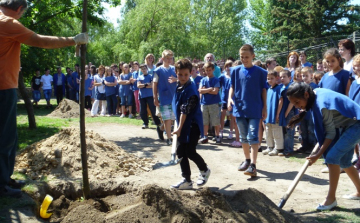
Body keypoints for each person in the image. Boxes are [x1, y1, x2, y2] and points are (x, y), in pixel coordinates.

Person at [0, 0, 88, 198]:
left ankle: (5, 178)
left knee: (9, 137)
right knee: (5, 138)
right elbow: (41, 41)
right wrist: (73, 40)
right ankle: (1, 185)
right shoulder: (7, 22)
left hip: (5, 86)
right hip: (3, 88)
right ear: (19, 9)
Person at [287, 82, 360, 211]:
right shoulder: (316, 94)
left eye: (297, 102)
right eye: (294, 104)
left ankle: (331, 199)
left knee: (332, 158)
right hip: (348, 126)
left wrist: (318, 154)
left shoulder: (322, 105)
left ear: (306, 94)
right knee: (344, 161)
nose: (298, 106)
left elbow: (330, 133)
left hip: (356, 125)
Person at [170, 58, 210, 190]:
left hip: (192, 126)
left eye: (186, 75)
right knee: (180, 151)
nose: (182, 77)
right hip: (183, 125)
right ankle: (186, 180)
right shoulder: (180, 86)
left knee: (190, 151)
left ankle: (204, 170)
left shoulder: (191, 91)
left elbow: (184, 111)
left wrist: (179, 128)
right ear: (176, 72)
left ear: (191, 73)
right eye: (180, 74)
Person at [228, 44, 267, 177]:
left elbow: (263, 90)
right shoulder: (235, 70)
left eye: (247, 57)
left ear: (253, 56)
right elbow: (232, 86)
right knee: (243, 136)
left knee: (253, 135)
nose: (244, 59)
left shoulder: (261, 72)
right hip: (239, 108)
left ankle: (254, 164)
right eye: (241, 57)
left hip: (255, 108)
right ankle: (247, 159)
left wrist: (265, 107)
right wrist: (229, 99)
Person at [153, 50, 177, 145]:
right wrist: (155, 97)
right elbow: (154, 84)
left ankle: (161, 128)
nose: (169, 60)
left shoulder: (174, 69)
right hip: (163, 98)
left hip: (174, 97)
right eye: (167, 58)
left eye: (171, 58)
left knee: (172, 118)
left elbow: (182, 79)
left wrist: (176, 79)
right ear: (163, 59)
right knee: (167, 118)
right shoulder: (158, 71)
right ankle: (169, 138)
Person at [137, 64, 164, 139]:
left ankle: (157, 123)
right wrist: (146, 84)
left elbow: (152, 85)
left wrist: (143, 85)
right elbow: (138, 85)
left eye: (144, 69)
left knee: (153, 110)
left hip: (149, 95)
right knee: (143, 110)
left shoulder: (150, 76)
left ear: (147, 69)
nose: (143, 70)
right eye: (142, 69)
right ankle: (145, 123)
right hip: (142, 96)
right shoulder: (140, 77)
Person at [272, 70, 296, 156]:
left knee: (289, 131)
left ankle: (288, 150)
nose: (282, 78)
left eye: (284, 77)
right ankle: (284, 148)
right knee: (283, 131)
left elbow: (292, 102)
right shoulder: (281, 87)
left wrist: (286, 113)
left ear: (290, 78)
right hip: (283, 113)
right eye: (281, 77)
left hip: (290, 112)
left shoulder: (291, 87)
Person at [198, 62, 221, 144]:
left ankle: (217, 136)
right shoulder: (203, 80)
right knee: (205, 121)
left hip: (214, 103)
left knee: (215, 121)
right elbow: (200, 90)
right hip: (204, 103)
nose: (208, 72)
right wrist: (210, 89)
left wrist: (206, 90)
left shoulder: (216, 80)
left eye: (209, 70)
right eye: (206, 70)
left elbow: (215, 92)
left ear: (213, 70)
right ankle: (205, 136)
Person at [296, 67, 318, 154]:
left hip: (311, 112)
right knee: (303, 129)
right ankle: (304, 145)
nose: (304, 77)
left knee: (311, 129)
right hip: (302, 112)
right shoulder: (301, 86)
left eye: (306, 76)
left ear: (311, 76)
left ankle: (312, 146)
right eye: (303, 76)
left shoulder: (315, 87)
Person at [263, 71, 284, 155]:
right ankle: (270, 146)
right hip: (268, 115)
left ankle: (278, 148)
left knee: (276, 131)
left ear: (277, 78)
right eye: (268, 79)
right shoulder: (268, 89)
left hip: (275, 114)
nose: (270, 80)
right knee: (268, 131)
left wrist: (278, 113)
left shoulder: (279, 88)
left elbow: (281, 101)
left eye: (272, 78)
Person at [219, 60, 232, 139]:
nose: (228, 68)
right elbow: (218, 85)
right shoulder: (222, 76)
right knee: (222, 115)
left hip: (232, 99)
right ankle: (221, 131)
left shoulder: (234, 76)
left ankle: (231, 132)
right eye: (226, 66)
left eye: (230, 66)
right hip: (224, 98)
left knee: (231, 116)